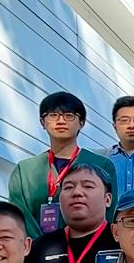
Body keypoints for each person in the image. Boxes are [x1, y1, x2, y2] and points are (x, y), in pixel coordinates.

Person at [8, 91, 117, 238]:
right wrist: (42, 245)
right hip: (35, 249)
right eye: (53, 115)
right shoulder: (24, 170)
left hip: (88, 246)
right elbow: (18, 215)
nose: (60, 121)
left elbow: (109, 214)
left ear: (81, 122)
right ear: (42, 122)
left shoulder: (102, 165)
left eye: (69, 115)